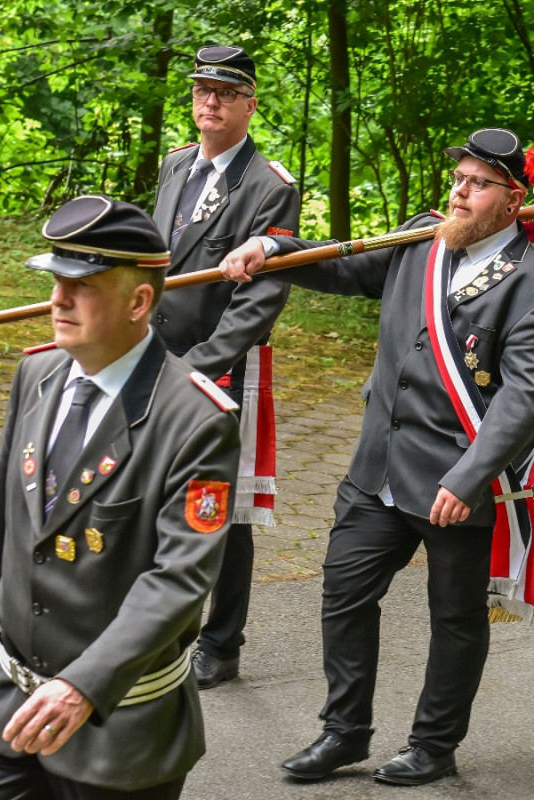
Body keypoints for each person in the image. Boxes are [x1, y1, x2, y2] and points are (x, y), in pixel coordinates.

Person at [218, 127, 534, 786]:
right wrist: (273, 248)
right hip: (376, 465)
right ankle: (344, 732)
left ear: (512, 199)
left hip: (451, 484)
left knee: (455, 617)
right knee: (345, 591)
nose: (459, 193)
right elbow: (341, 265)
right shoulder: (420, 238)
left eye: (476, 185)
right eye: (458, 180)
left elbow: (524, 402)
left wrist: (470, 479)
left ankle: (434, 745)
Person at [0, 195, 241, 799]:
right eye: (54, 280)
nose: (58, 299)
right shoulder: (38, 374)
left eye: (82, 285)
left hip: (117, 726)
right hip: (9, 706)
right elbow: (1, 527)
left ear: (139, 301)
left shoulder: (195, 420)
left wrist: (83, 687)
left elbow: (178, 580)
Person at [153, 44, 301, 686]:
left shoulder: (270, 186)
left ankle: (222, 642)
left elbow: (259, 302)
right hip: (156, 358)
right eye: (200, 90)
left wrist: (200, 367)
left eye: (224, 91)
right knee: (158, 494)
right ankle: (162, 626)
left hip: (222, 367)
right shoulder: (175, 165)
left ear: (250, 103)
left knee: (224, 506)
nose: (208, 101)